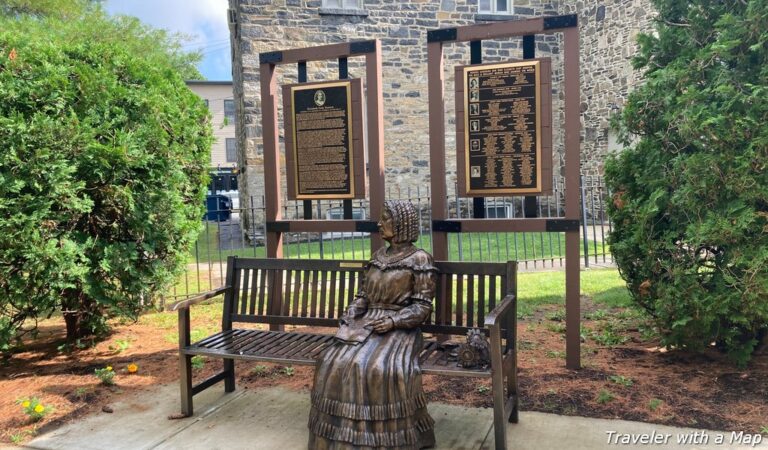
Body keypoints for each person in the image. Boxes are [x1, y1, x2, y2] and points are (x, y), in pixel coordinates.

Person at [308, 200, 437, 449]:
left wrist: (393, 321)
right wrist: (352, 312)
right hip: (365, 325)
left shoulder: (420, 259)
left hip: (401, 331)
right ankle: (340, 440)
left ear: (402, 223)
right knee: (331, 361)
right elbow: (363, 297)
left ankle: (382, 439)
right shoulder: (377, 257)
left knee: (377, 368)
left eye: (386, 218)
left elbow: (422, 308)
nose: (380, 223)